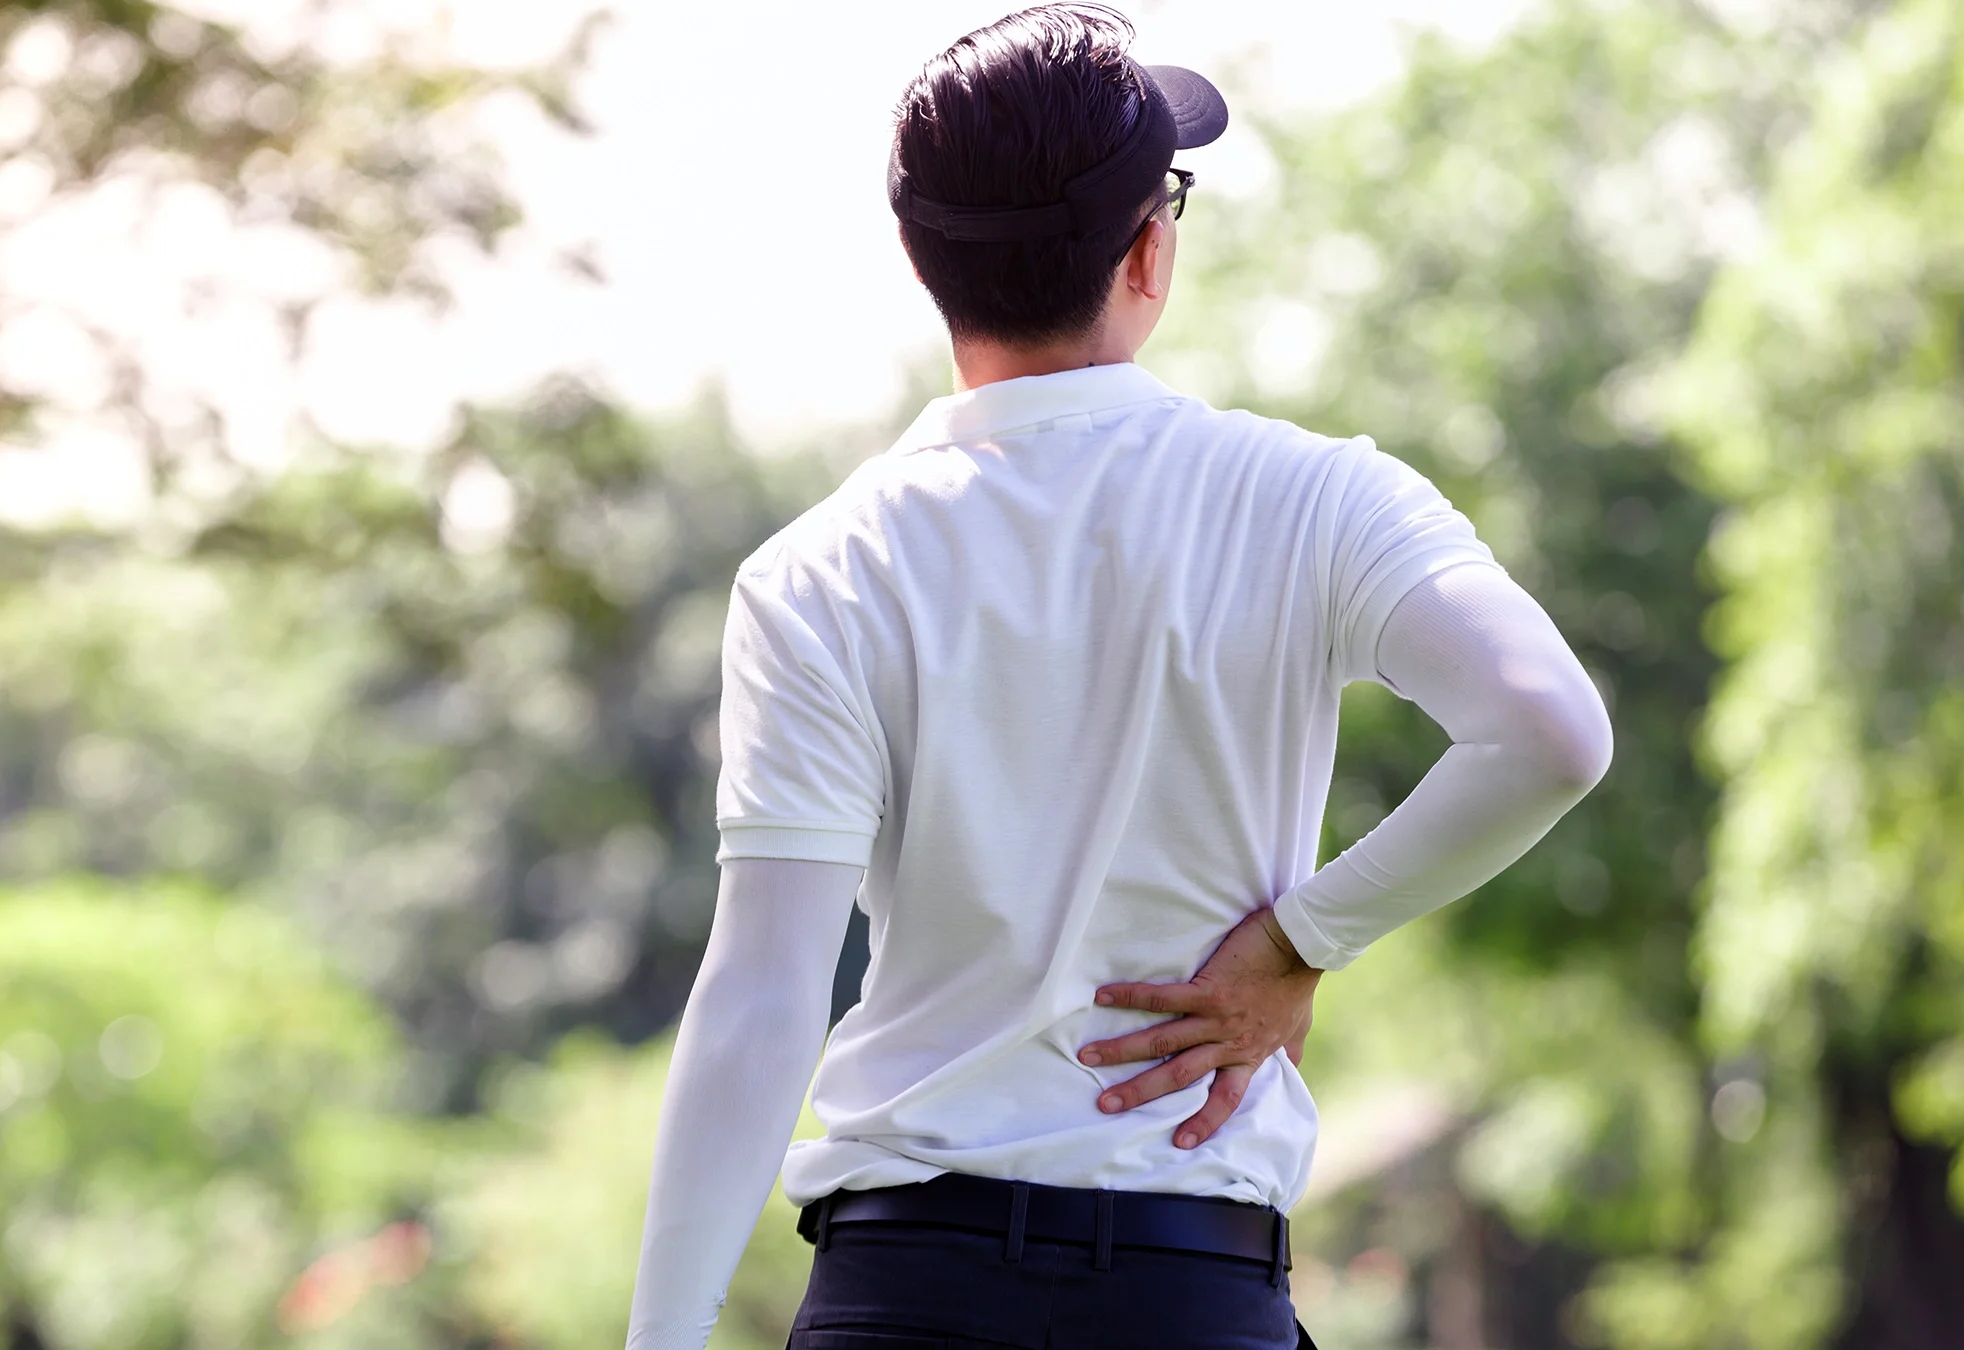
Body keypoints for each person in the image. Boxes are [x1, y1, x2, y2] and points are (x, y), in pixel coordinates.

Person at [622, 7, 1612, 1348]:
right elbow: (1549, 731)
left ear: (921, 263)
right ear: (1149, 250)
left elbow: (763, 992)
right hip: (1187, 1287)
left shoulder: (822, 571)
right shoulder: (1317, 499)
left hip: (902, 1289)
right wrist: (1302, 940)